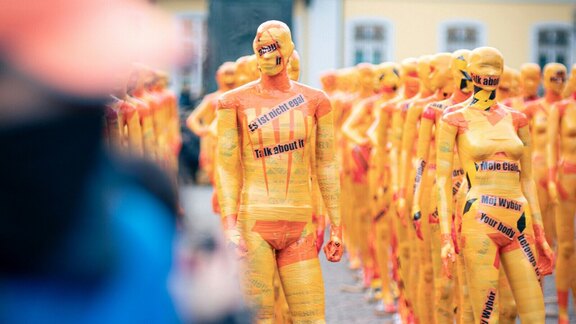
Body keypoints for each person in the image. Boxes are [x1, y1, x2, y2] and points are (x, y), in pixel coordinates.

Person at [215, 20, 342, 322]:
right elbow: (227, 167)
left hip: (299, 224)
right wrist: (230, 224)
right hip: (254, 222)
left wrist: (337, 225)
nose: (266, 52)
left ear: (288, 52)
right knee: (258, 318)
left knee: (311, 318)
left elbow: (325, 164)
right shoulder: (232, 102)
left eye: (273, 47)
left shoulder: (316, 101)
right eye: (261, 46)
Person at [436, 47, 554, 323]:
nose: (489, 74)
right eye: (483, 68)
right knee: (487, 316)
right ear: (471, 73)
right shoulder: (453, 118)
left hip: (518, 218)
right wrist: (445, 237)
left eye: (495, 68)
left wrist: (540, 233)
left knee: (534, 312)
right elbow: (442, 180)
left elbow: (527, 179)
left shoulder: (517, 118)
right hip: (479, 219)